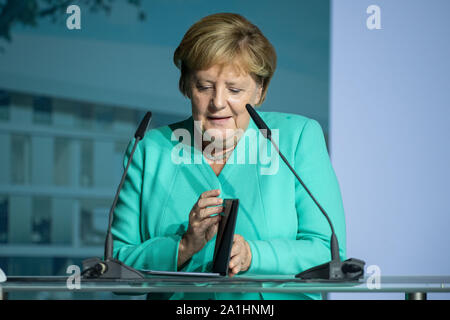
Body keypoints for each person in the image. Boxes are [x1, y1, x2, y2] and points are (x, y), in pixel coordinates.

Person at [111, 12, 346, 300]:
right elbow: (117, 266)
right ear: (185, 85)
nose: (218, 103)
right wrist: (182, 246)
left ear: (260, 90)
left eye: (234, 89)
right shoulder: (148, 150)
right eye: (204, 87)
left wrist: (253, 255)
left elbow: (328, 254)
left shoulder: (298, 138)